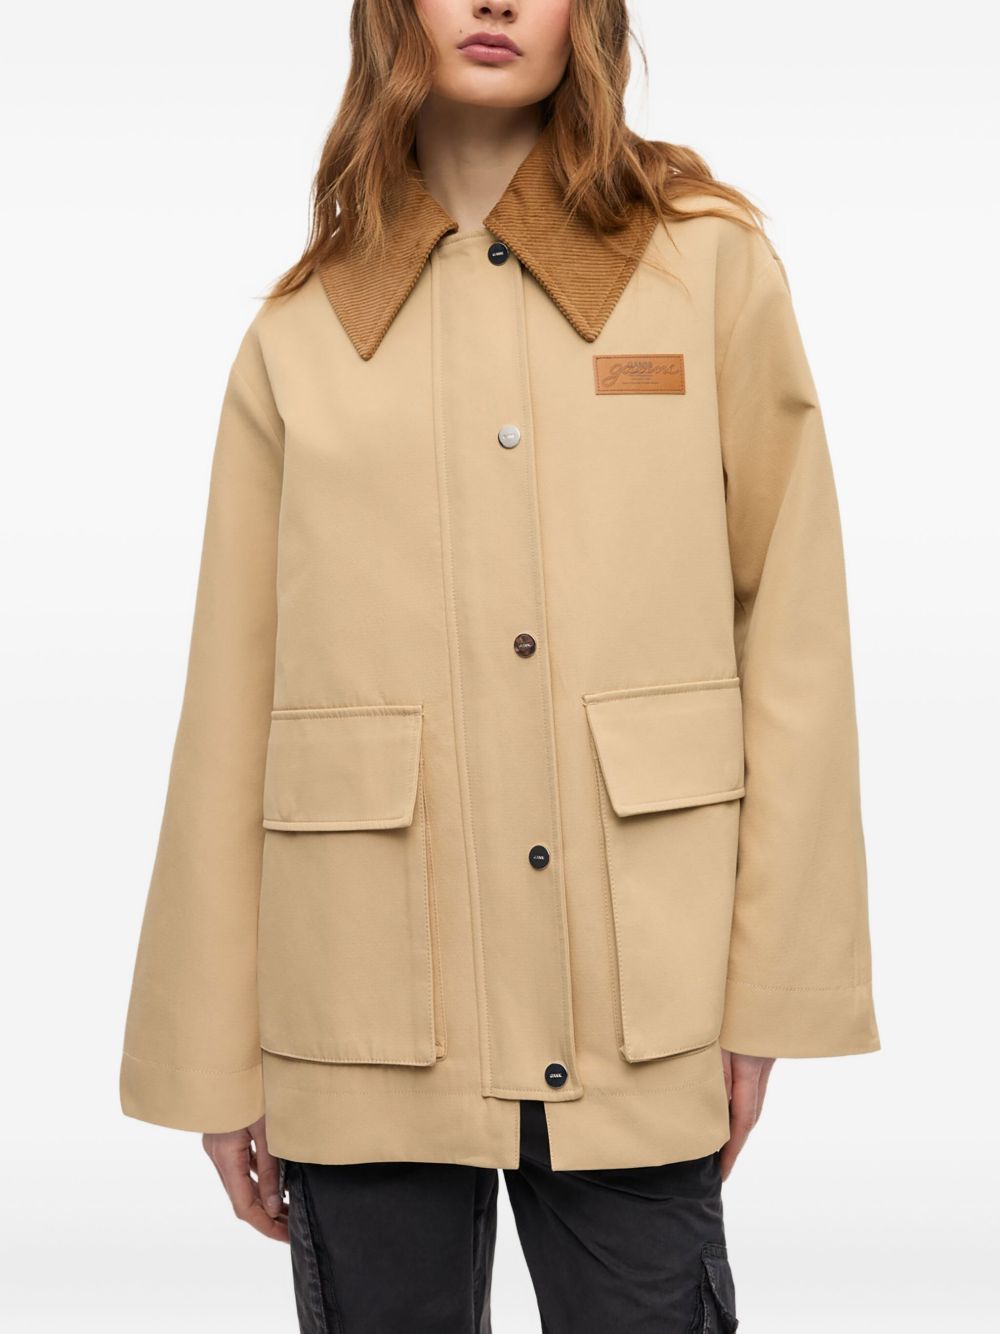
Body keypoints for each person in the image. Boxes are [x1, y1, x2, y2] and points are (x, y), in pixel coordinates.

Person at [118, 1, 880, 1329]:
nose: (493, 3)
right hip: (362, 1012)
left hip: (642, 1003)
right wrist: (212, 1054)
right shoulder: (299, 335)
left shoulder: (706, 270)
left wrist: (770, 995)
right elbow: (229, 705)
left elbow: (797, 636)